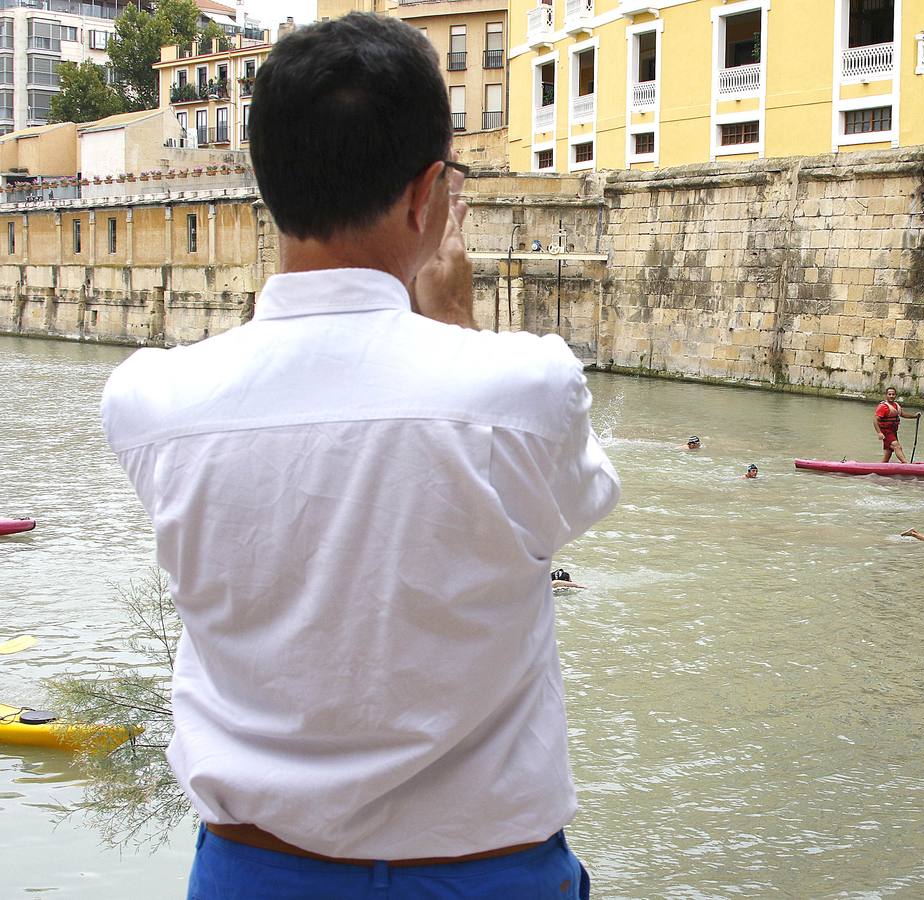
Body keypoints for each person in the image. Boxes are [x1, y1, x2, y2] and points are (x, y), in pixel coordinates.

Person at [100, 15, 619, 899]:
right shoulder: (528, 388)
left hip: (253, 872)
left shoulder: (151, 402)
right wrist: (453, 326)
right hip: (488, 876)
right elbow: (564, 511)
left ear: (267, 184)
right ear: (428, 196)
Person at [875, 386, 919, 463]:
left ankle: (878, 470)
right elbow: (875, 420)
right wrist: (879, 433)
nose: (891, 396)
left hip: (893, 432)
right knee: (897, 446)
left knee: (887, 454)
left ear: (895, 395)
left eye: (893, 394)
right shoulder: (883, 407)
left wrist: (915, 416)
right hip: (886, 432)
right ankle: (906, 464)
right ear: (886, 395)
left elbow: (903, 414)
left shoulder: (896, 405)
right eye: (889, 394)